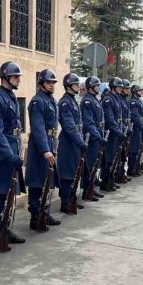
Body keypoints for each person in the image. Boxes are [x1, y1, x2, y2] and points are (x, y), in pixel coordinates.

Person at [0, 62, 27, 252]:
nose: (18, 79)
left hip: (11, 151)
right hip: (1, 155)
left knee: (9, 194)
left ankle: (5, 228)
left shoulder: (10, 97)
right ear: (5, 77)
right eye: (15, 76)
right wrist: (9, 155)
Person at [25, 69, 61, 231]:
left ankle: (44, 213)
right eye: (48, 82)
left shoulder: (50, 100)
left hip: (50, 143)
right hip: (40, 147)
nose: (52, 85)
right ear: (41, 84)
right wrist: (45, 150)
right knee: (37, 182)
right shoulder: (37, 101)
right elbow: (38, 128)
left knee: (47, 180)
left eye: (53, 82)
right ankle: (35, 216)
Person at [57, 73, 88, 213]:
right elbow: (69, 126)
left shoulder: (72, 100)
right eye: (75, 84)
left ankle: (71, 198)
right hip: (68, 142)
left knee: (74, 172)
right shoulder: (65, 102)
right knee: (67, 173)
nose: (78, 86)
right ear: (69, 86)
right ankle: (65, 202)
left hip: (75, 141)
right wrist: (80, 142)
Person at [80, 76, 106, 201]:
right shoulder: (87, 101)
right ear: (90, 87)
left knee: (95, 164)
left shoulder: (94, 99)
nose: (98, 88)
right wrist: (97, 137)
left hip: (97, 135)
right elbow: (89, 123)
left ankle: (91, 188)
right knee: (89, 165)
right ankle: (87, 190)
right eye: (96, 86)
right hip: (91, 138)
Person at [100, 78, 124, 191]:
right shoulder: (108, 99)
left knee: (113, 158)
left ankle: (111, 180)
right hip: (110, 133)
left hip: (115, 133)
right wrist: (118, 132)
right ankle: (105, 182)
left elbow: (119, 117)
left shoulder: (116, 98)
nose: (120, 89)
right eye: (119, 87)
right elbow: (110, 119)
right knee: (108, 159)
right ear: (113, 87)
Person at [127, 83, 143, 176]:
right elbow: (135, 116)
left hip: (139, 128)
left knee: (138, 148)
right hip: (135, 128)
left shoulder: (138, 101)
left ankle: (136, 167)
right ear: (135, 92)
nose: (141, 92)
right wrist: (142, 126)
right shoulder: (133, 102)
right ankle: (131, 169)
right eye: (139, 90)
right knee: (134, 149)